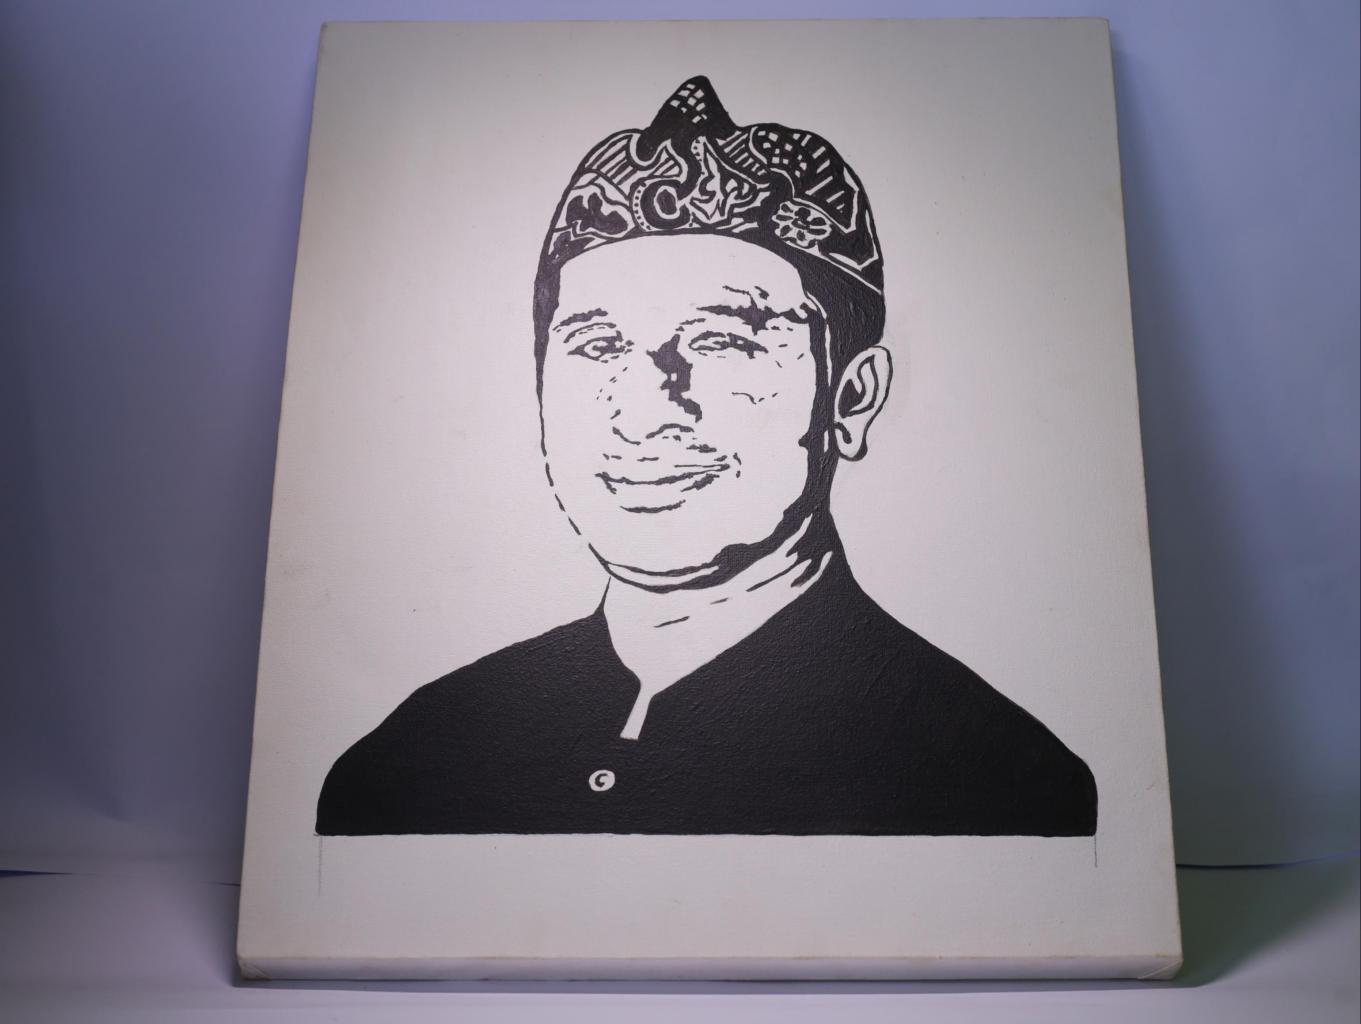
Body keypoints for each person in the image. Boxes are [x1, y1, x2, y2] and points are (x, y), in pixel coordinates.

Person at [317, 77, 1097, 837]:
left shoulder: (994, 780)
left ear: (850, 397)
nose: (644, 408)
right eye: (597, 344)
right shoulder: (411, 760)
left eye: (720, 342)